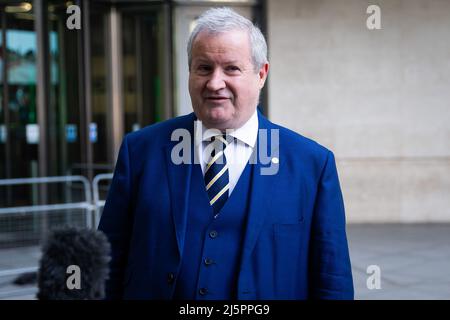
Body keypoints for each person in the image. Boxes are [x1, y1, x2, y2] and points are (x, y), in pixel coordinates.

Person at [98, 7, 354, 300]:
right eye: (204, 68)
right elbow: (108, 260)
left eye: (231, 68)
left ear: (261, 74)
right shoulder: (140, 151)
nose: (214, 83)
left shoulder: (312, 165)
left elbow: (332, 278)